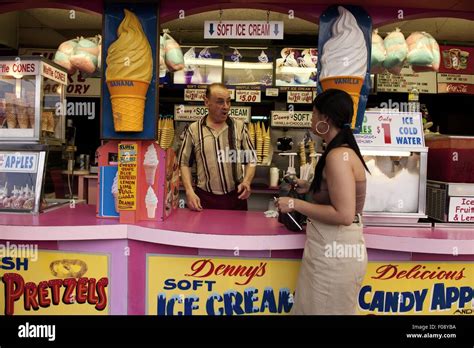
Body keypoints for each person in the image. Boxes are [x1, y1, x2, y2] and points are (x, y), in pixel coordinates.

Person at [275, 89, 369, 314]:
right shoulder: (339, 151)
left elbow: (344, 215)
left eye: (314, 113)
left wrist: (295, 204)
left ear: (325, 118)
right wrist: (311, 188)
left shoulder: (338, 156)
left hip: (335, 255)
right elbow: (337, 194)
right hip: (332, 251)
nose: (311, 119)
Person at [178, 83, 256, 211]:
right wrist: (189, 191)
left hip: (235, 198)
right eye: (220, 102)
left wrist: (247, 181)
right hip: (204, 199)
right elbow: (184, 163)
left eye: (228, 101)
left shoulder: (240, 127)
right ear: (206, 102)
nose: (226, 107)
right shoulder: (194, 130)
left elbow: (251, 160)